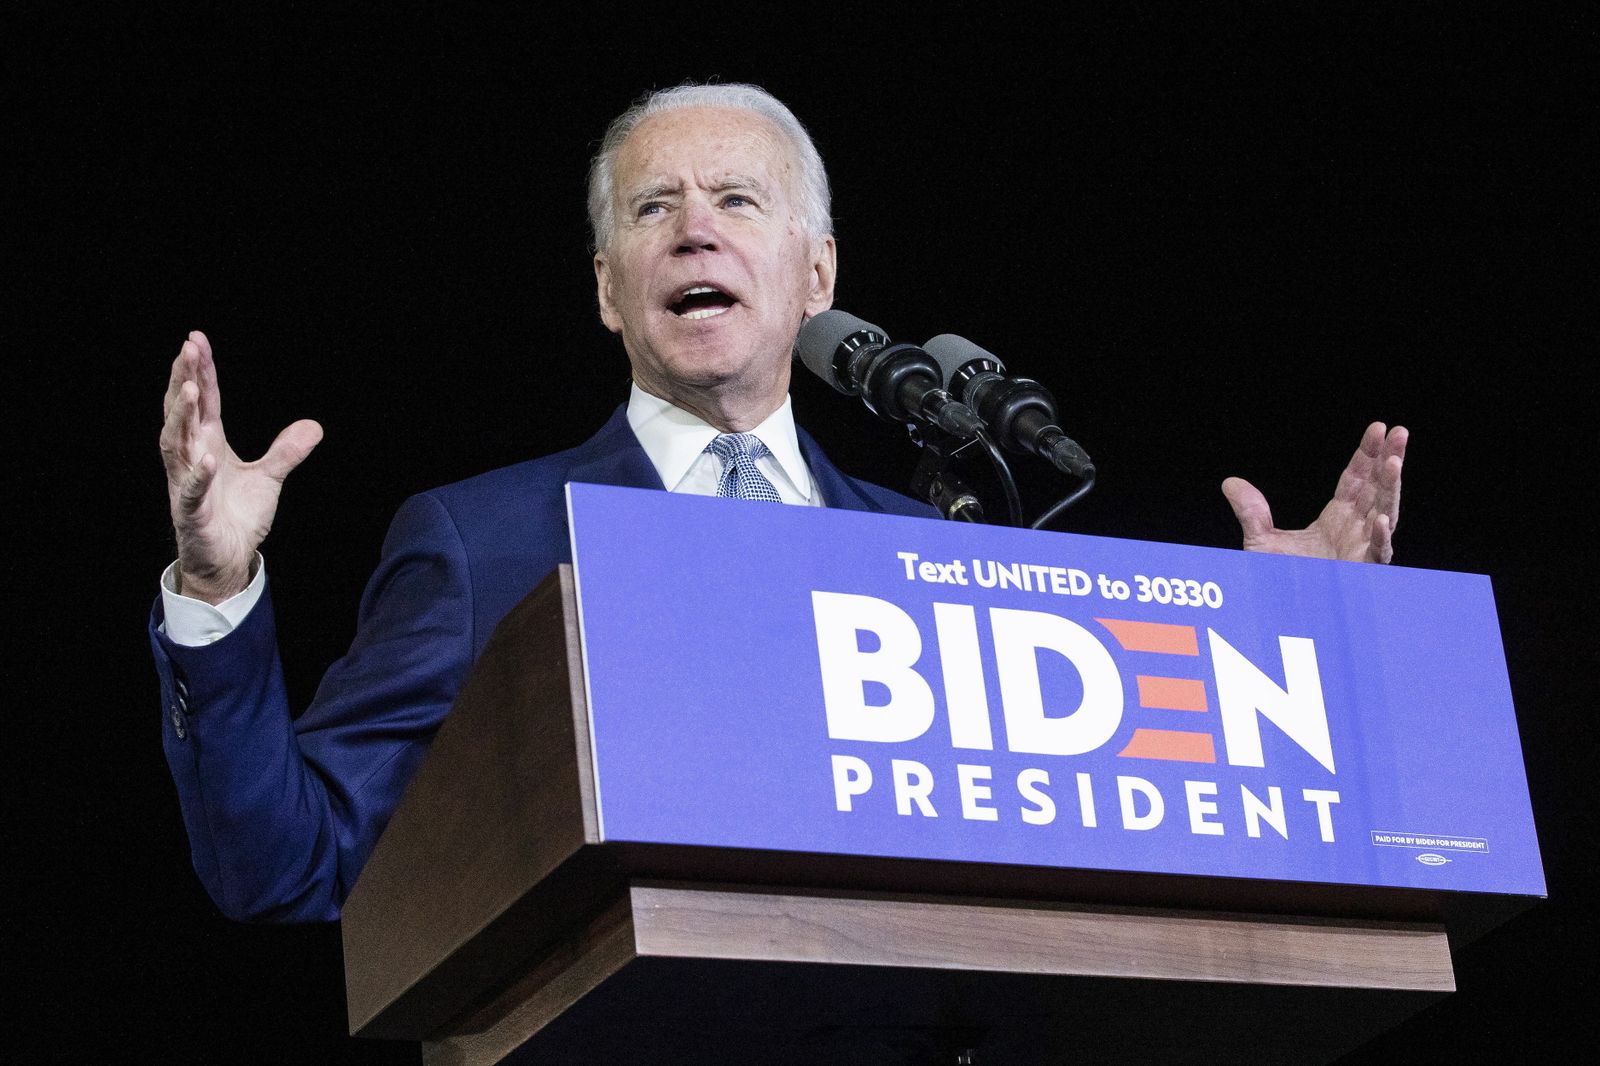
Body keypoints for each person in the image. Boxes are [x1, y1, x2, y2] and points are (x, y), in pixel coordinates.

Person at [152, 83, 1407, 923]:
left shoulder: (934, 550)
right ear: (607, 289)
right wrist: (218, 594)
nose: (695, 231)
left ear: (817, 274)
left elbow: (1129, 826)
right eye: (655, 209)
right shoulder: (481, 543)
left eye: (736, 202)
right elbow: (288, 865)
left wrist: (1295, 644)